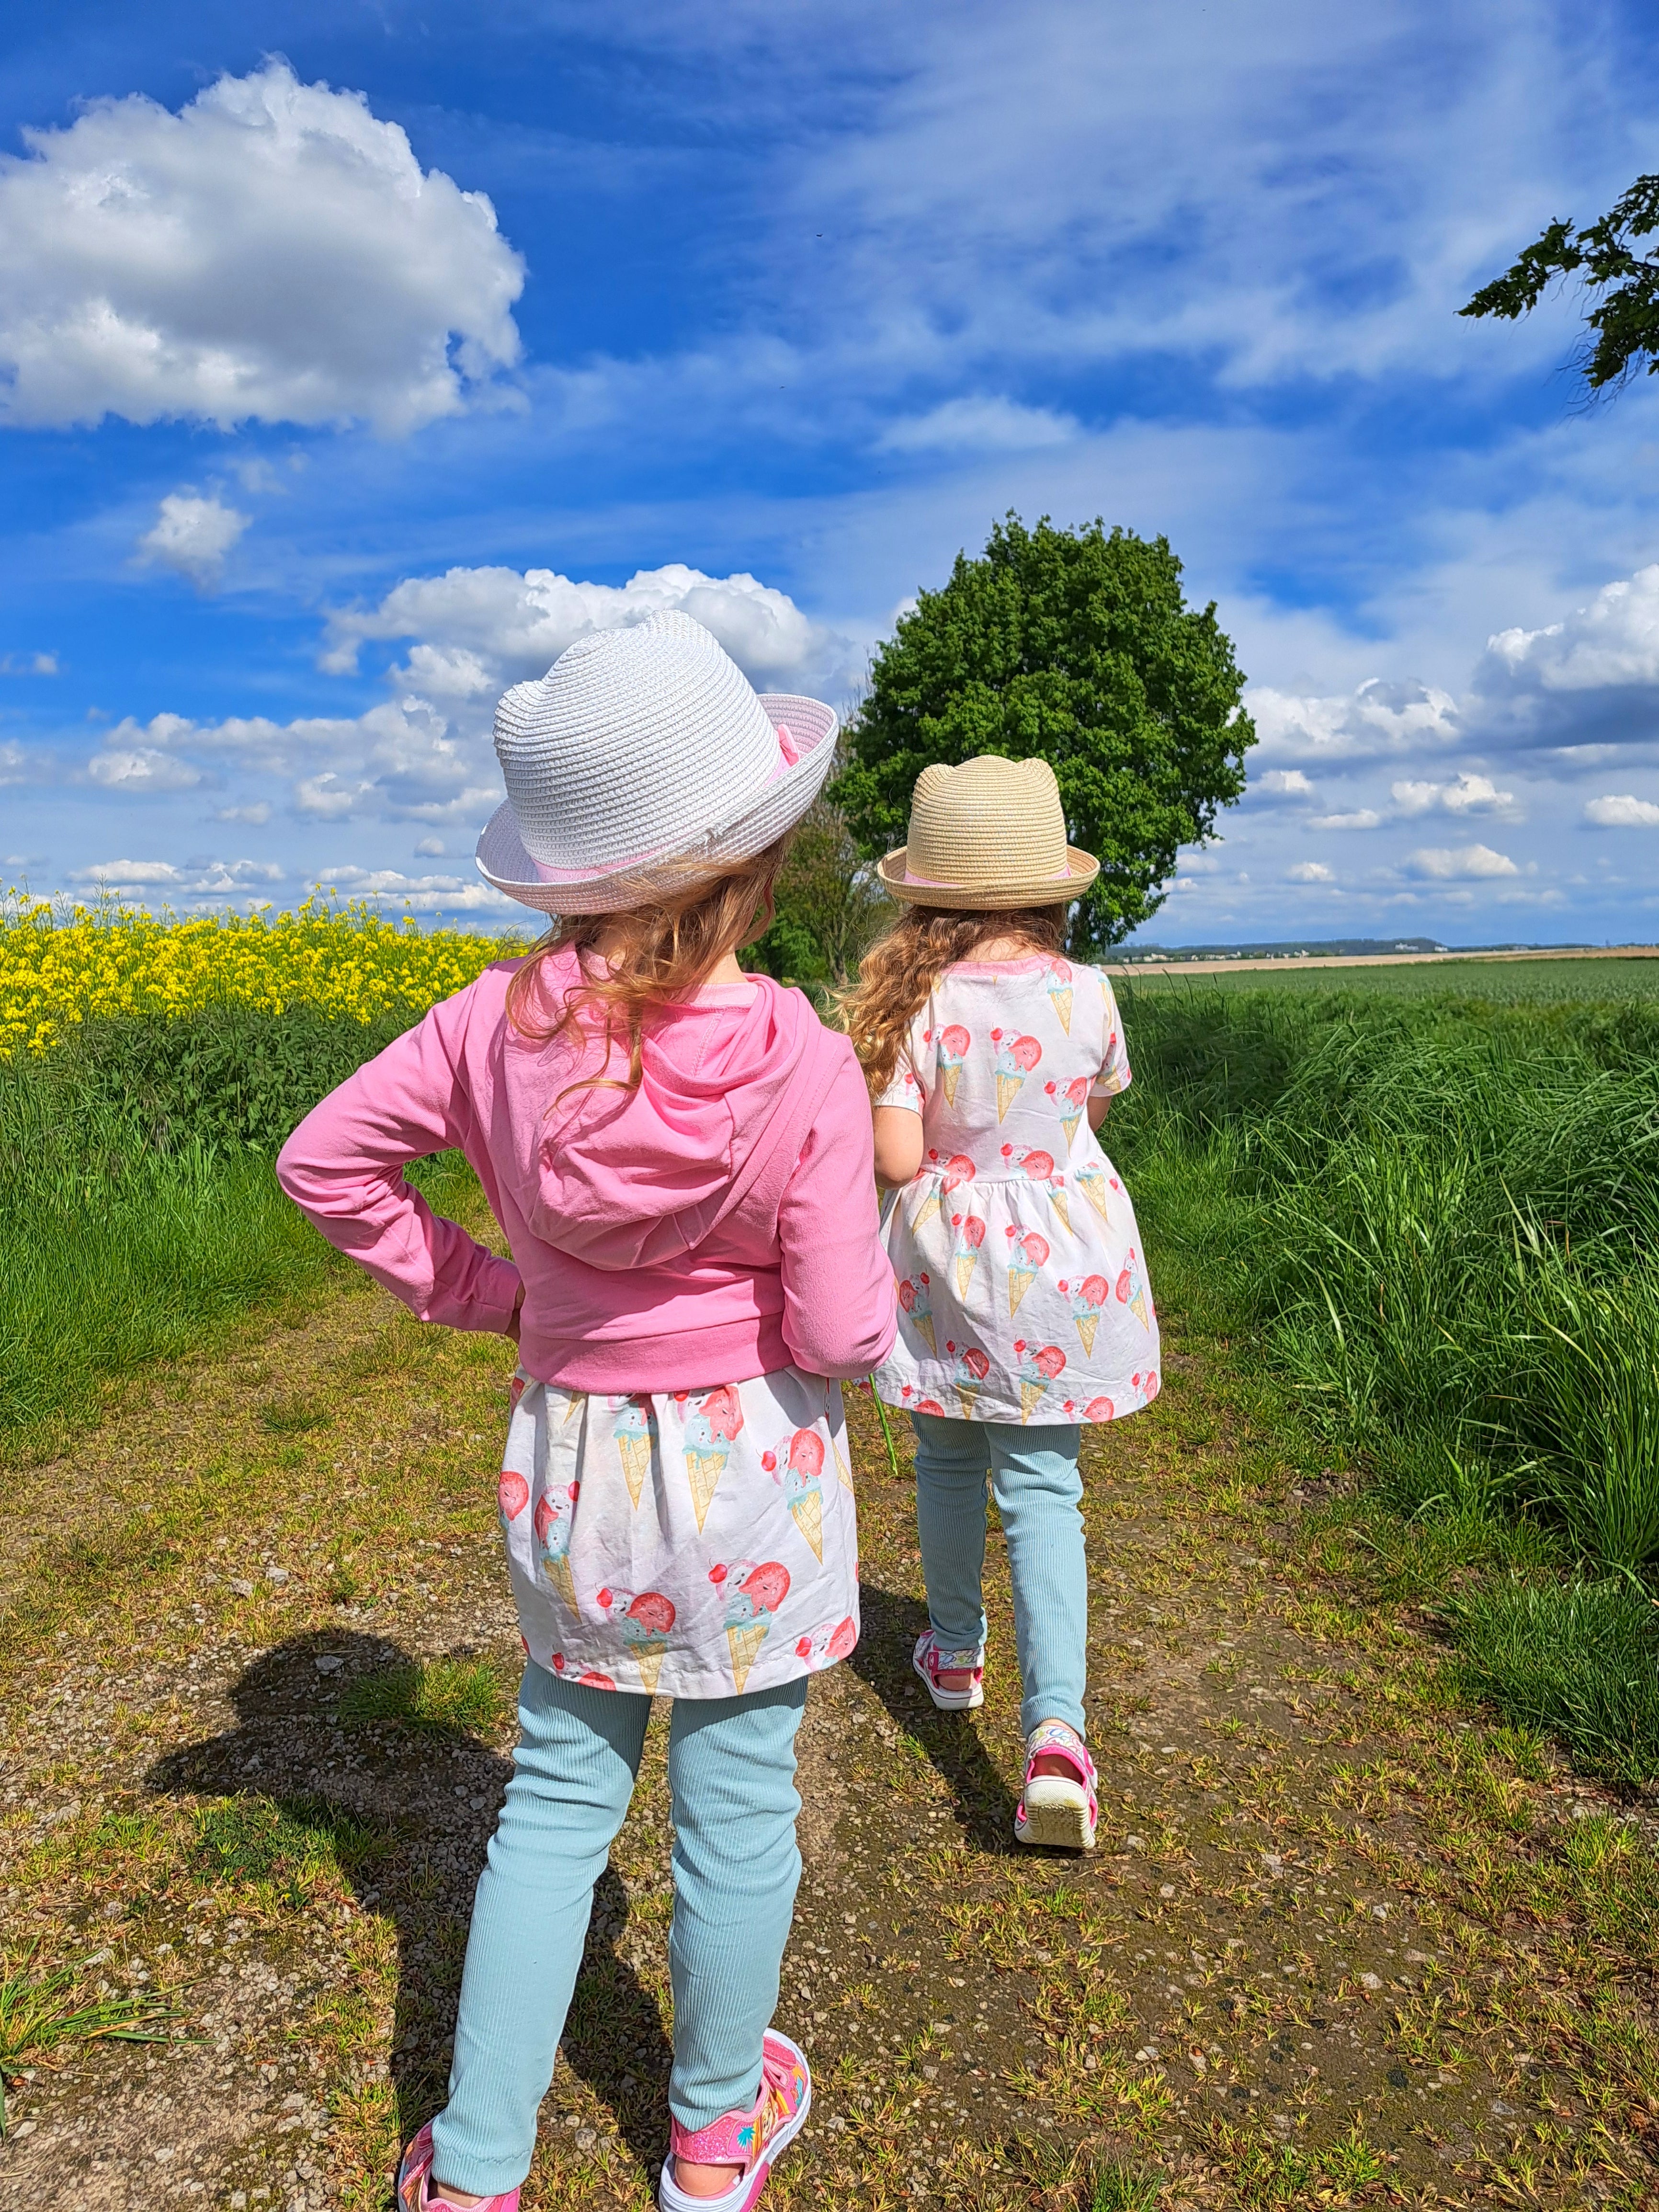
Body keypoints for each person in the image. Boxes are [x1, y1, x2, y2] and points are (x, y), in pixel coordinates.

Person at [277, 612, 896, 2212]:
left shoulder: (488, 1028)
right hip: (752, 1475)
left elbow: (321, 1161)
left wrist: (492, 1289)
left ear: (561, 876)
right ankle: (706, 2137)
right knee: (735, 1811)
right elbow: (836, 1323)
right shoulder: (809, 1062)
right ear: (751, 862)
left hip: (578, 1470)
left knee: (555, 1800)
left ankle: (476, 2161)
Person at [840, 755, 1160, 1854]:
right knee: (1044, 1487)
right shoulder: (1088, 990)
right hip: (1063, 1270)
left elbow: (894, 1155)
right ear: (1053, 890)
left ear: (924, 891)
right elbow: (1091, 1110)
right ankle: (1057, 1733)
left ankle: (957, 1649)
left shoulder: (911, 997)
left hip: (946, 1262)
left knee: (943, 1459)